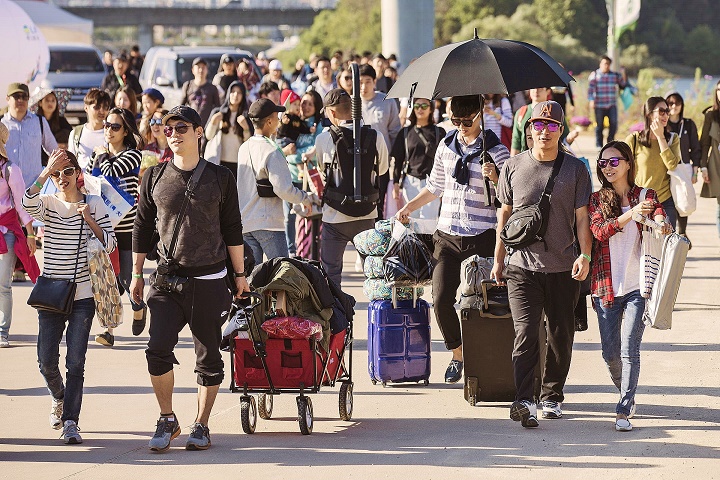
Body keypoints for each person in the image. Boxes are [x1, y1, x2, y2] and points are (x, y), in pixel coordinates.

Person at [131, 105, 249, 452]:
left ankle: (202, 424)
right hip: (166, 279)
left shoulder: (220, 177)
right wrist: (137, 273)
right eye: (167, 129)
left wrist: (240, 275)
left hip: (210, 279)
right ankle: (167, 418)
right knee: (157, 350)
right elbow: (141, 228)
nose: (173, 134)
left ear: (199, 131)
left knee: (209, 357)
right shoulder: (153, 176)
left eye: (181, 127)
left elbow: (232, 228)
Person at [492, 100, 593, 428]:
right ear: (528, 130)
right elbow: (504, 216)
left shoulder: (576, 170)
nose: (544, 131)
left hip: (563, 267)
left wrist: (585, 255)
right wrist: (497, 260)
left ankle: (551, 395)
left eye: (551, 126)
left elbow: (582, 219)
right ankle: (523, 399)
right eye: (538, 125)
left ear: (561, 131)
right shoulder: (512, 166)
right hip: (521, 266)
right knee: (524, 331)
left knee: (560, 335)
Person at [396, 94, 508, 383]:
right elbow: (435, 187)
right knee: (441, 297)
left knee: (482, 301)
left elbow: (510, 196)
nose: (460, 127)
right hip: (446, 234)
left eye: (466, 122)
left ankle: (486, 357)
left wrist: (495, 178)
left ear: (479, 116)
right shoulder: (446, 145)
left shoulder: (496, 151)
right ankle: (457, 354)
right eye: (455, 121)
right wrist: (409, 207)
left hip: (481, 234)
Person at [23, 149, 117, 444]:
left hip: (83, 295)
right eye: (56, 173)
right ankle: (59, 397)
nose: (62, 178)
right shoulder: (48, 203)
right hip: (51, 294)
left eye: (67, 171)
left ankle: (71, 422)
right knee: (45, 360)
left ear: (78, 174)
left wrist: (89, 219)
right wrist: (43, 172)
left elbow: (111, 244)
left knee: (76, 361)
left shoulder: (95, 203)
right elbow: (26, 202)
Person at [588, 140, 670, 432]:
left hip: (638, 285)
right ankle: (625, 388)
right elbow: (599, 231)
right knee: (610, 353)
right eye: (603, 163)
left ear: (627, 163)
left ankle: (623, 408)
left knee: (628, 349)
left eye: (614, 161)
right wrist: (629, 215)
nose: (608, 167)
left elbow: (658, 212)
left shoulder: (645, 195)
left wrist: (660, 222)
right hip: (606, 285)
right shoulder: (597, 199)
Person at [315, 89, 388, 287]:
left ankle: (337, 316)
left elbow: (323, 172)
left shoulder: (323, 139)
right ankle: (376, 313)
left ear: (332, 113)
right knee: (372, 273)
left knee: (330, 274)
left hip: (334, 217)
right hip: (367, 215)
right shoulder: (376, 136)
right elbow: (382, 169)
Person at [236, 99, 316, 263]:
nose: (280, 119)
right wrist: (304, 198)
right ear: (269, 121)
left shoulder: (244, 147)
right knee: (281, 277)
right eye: (277, 116)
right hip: (269, 222)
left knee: (253, 278)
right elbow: (283, 189)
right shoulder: (272, 150)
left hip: (246, 222)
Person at [92, 107, 144, 347]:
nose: (109, 130)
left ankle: (138, 307)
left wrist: (101, 155)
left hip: (126, 229)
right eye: (106, 125)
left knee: (125, 279)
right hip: (105, 227)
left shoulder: (133, 155)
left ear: (125, 131)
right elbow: (93, 181)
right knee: (107, 280)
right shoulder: (99, 155)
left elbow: (111, 173)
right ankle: (108, 330)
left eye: (115, 127)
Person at [0, 122, 39, 348]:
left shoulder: (10, 170)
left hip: (7, 232)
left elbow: (22, 205)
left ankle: (2, 332)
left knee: (3, 285)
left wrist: (31, 235)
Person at [624, 97, 681, 229]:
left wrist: (661, 137)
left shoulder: (673, 138)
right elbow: (623, 170)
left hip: (665, 201)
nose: (666, 115)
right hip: (640, 202)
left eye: (667, 111)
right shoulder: (634, 139)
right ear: (649, 114)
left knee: (667, 246)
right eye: (661, 111)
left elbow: (672, 165)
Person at [390, 97, 445, 220]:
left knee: (430, 221)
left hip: (433, 182)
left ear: (431, 109)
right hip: (411, 181)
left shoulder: (439, 132)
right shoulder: (405, 132)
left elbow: (445, 161)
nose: (420, 109)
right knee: (410, 220)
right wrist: (395, 184)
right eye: (417, 106)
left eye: (424, 106)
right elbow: (398, 160)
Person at [359, 64, 401, 219]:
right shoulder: (350, 103)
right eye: (360, 82)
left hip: (381, 164)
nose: (363, 86)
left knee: (378, 205)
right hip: (357, 163)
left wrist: (395, 163)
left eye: (367, 81)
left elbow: (395, 132)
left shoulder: (387, 101)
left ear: (374, 81)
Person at [2, 83, 58, 188]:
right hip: (6, 187)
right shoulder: (1, 123)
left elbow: (54, 151)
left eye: (24, 97)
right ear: (7, 99)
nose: (21, 100)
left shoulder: (39, 121)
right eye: (17, 96)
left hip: (34, 187)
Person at [665, 92, 701, 246]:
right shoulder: (663, 124)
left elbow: (696, 148)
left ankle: (682, 231)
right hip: (666, 168)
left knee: (683, 199)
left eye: (677, 103)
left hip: (684, 166)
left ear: (682, 105)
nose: (674, 106)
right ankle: (672, 234)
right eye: (671, 103)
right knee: (670, 201)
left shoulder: (688, 124)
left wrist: (695, 170)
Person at [204, 81, 251, 176]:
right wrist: (213, 121)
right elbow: (208, 136)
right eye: (233, 91)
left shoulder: (246, 116)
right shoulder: (218, 112)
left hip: (238, 163)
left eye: (239, 93)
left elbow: (248, 142)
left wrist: (246, 127)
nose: (235, 95)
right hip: (218, 160)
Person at [511, 87, 573, 156]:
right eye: (532, 88)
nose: (536, 91)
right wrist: (513, 163)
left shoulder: (556, 112)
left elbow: (565, 139)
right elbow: (516, 142)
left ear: (548, 91)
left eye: (540, 89)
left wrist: (570, 138)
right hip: (525, 160)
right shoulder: (521, 113)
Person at [588, 56, 627, 149]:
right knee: (599, 125)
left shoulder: (615, 75)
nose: (606, 66)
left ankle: (610, 143)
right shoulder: (594, 75)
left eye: (608, 64)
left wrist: (623, 73)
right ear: (600, 64)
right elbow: (590, 90)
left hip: (611, 104)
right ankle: (599, 144)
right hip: (599, 105)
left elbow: (623, 85)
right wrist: (591, 100)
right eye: (604, 63)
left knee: (613, 124)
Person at [68, 89, 112, 172]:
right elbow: (71, 162)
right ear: (86, 107)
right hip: (81, 182)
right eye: (97, 107)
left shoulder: (111, 132)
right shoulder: (76, 133)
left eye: (105, 107)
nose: (102, 111)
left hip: (104, 181)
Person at [700, 79, 720, 240]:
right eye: (719, 90)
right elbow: (704, 143)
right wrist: (703, 167)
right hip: (716, 163)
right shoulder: (710, 115)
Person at [181, 57, 221, 129]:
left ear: (207, 70)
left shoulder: (212, 88)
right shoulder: (187, 86)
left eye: (203, 67)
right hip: (191, 127)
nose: (201, 70)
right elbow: (181, 107)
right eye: (198, 67)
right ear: (193, 70)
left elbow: (217, 109)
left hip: (207, 127)